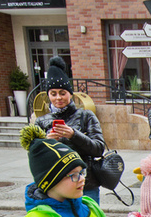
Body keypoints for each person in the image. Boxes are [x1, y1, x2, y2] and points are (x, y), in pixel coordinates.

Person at [34, 57, 106, 203]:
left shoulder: (85, 116)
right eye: (53, 94)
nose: (58, 98)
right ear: (48, 95)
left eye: (62, 93)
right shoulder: (41, 121)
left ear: (70, 94)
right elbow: (35, 158)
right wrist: (47, 143)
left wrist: (74, 135)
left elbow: (98, 148)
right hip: (56, 186)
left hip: (85, 184)